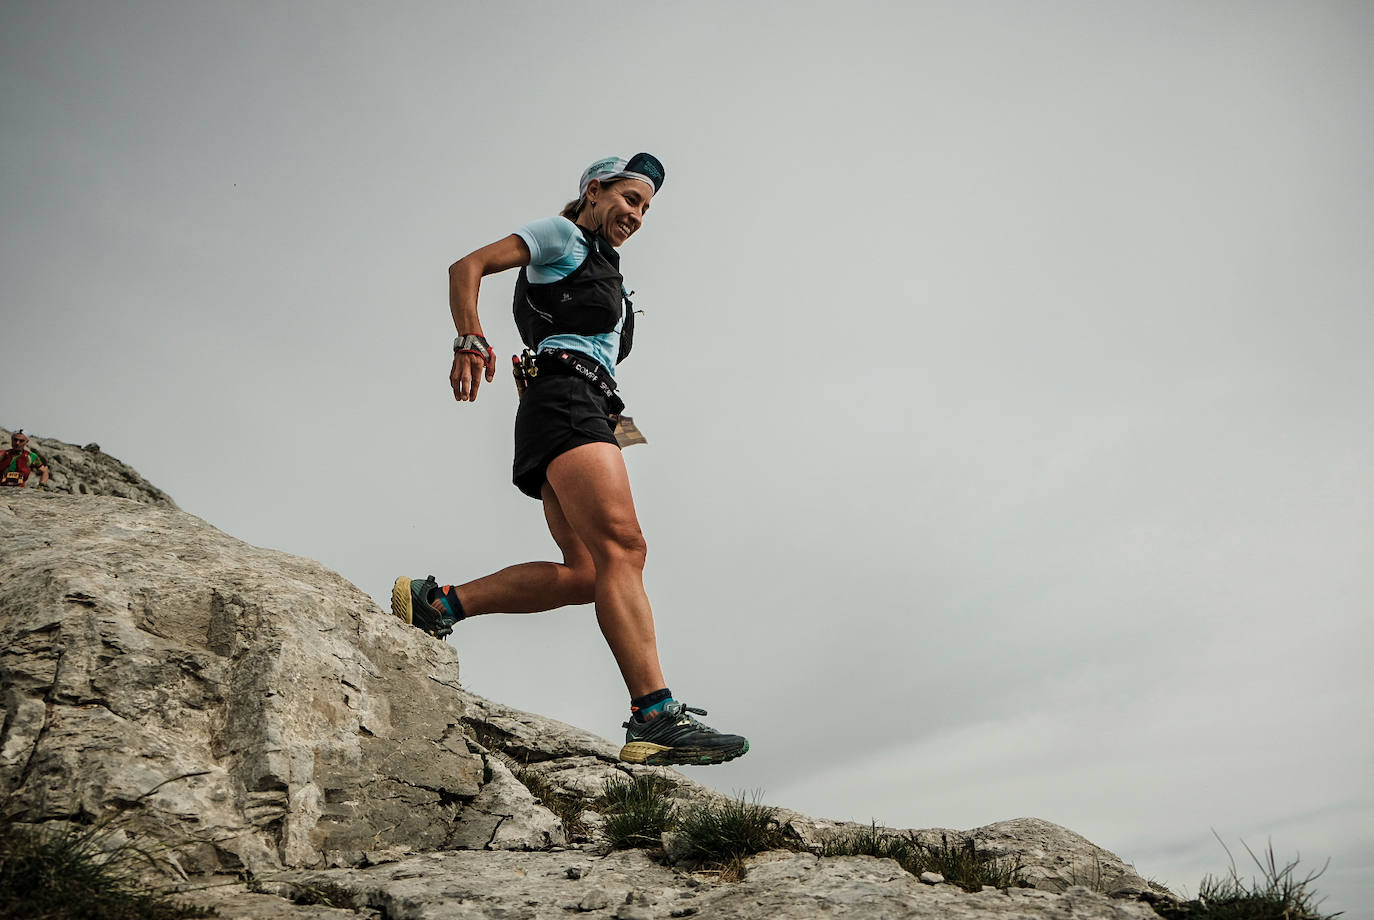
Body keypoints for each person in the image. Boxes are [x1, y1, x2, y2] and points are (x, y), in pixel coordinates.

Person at [392, 153, 748, 767]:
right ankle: (655, 714)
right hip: (567, 400)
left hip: (578, 404)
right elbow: (467, 266)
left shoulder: (607, 269)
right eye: (630, 199)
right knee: (625, 550)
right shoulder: (562, 235)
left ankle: (440, 602)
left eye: (645, 208)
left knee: (589, 572)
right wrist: (470, 336)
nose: (636, 215)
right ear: (594, 190)